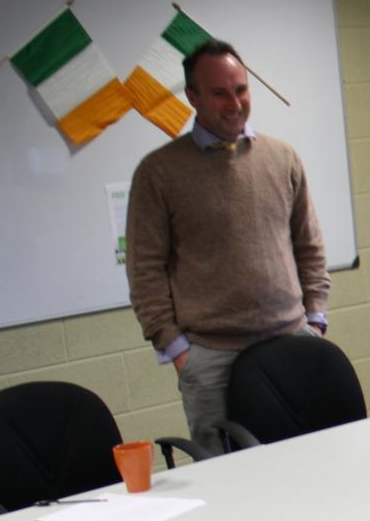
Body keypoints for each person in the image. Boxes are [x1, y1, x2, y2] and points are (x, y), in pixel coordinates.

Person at [125, 39, 330, 453]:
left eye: (240, 89)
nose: (234, 102)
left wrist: (316, 317)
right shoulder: (159, 172)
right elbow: (145, 270)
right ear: (193, 97)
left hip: (292, 339)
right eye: (219, 92)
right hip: (211, 357)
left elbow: (308, 243)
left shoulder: (282, 157)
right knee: (225, 479)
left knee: (313, 461)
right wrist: (177, 348)